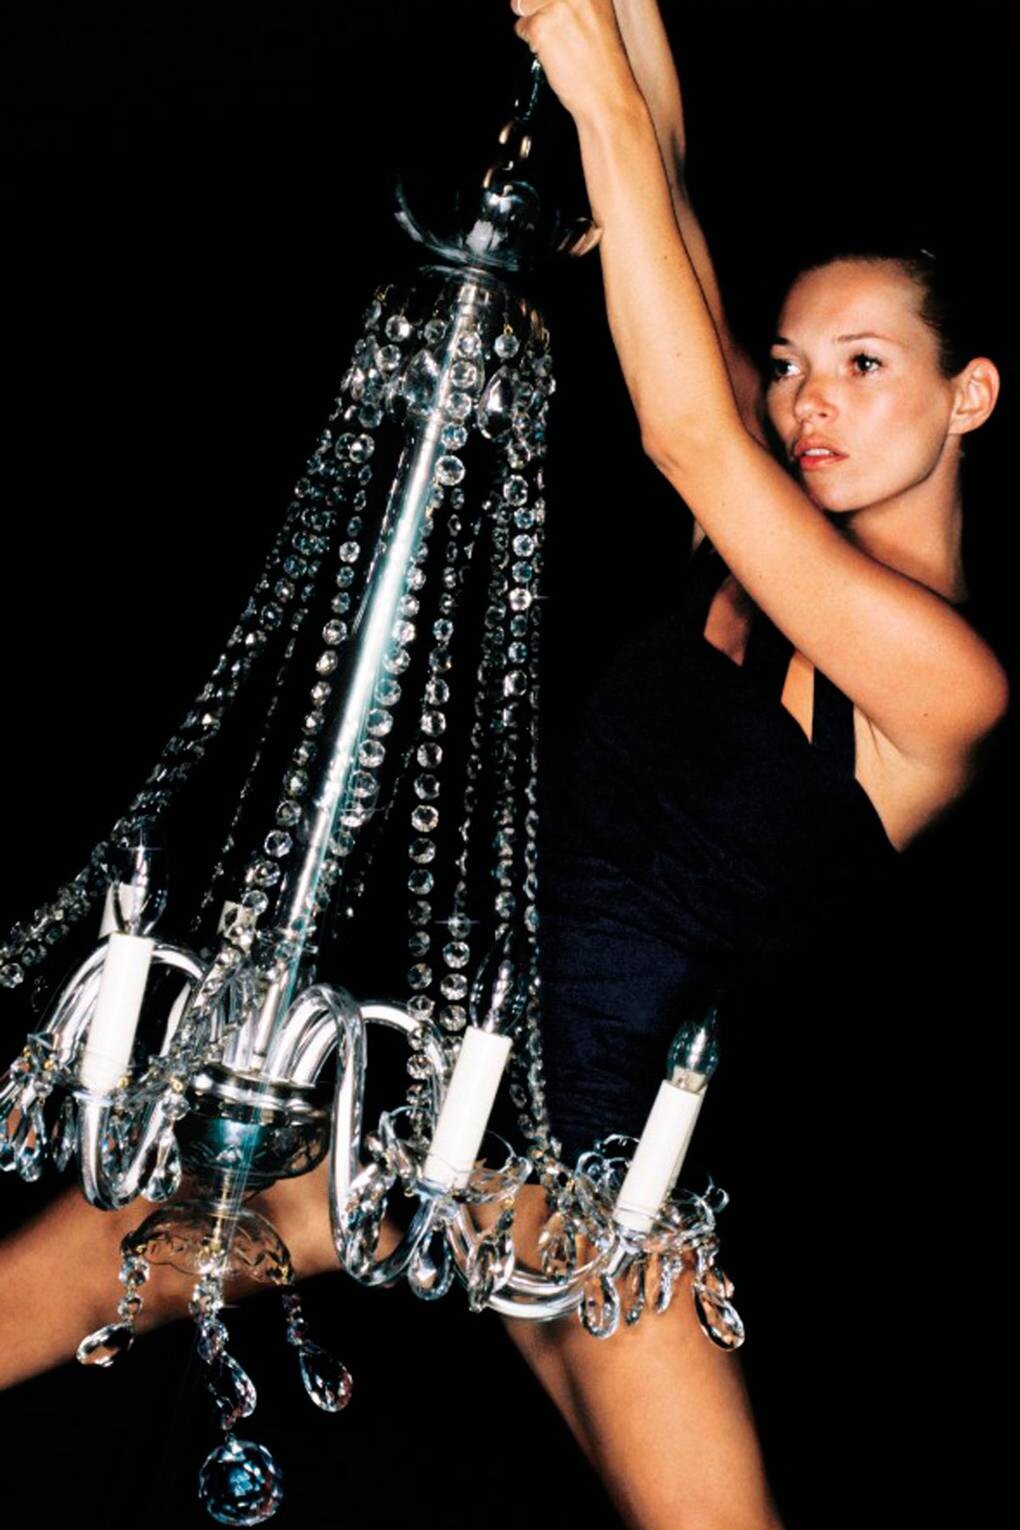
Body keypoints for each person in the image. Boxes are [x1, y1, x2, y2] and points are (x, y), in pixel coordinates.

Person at [0, 5, 1008, 1529]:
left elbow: (688, 432)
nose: (810, 401)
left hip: (595, 1187)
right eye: (795, 361)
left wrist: (597, 90)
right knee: (94, 1255)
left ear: (969, 395)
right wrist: (615, 25)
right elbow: (660, 203)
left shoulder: (949, 679)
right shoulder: (757, 538)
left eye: (865, 365)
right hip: (435, 1088)